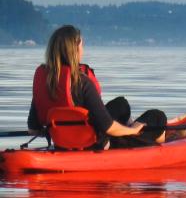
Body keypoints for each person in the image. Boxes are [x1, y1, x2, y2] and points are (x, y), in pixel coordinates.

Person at [27, 25, 167, 149]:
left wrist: (56, 129)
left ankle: (130, 129)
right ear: (74, 50)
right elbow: (108, 127)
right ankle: (159, 144)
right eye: (82, 45)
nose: (83, 50)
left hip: (62, 143)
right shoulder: (82, 82)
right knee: (158, 117)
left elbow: (33, 129)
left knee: (121, 104)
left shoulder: (44, 81)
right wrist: (133, 131)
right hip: (94, 144)